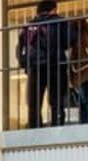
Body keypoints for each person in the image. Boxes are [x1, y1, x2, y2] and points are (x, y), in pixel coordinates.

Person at [17, 0, 75, 128]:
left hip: (34, 67)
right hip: (55, 65)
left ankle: (34, 129)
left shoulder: (28, 26)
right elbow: (70, 40)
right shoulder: (59, 22)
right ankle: (57, 128)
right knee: (56, 101)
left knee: (34, 102)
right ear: (53, 9)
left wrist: (25, 65)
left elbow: (20, 47)